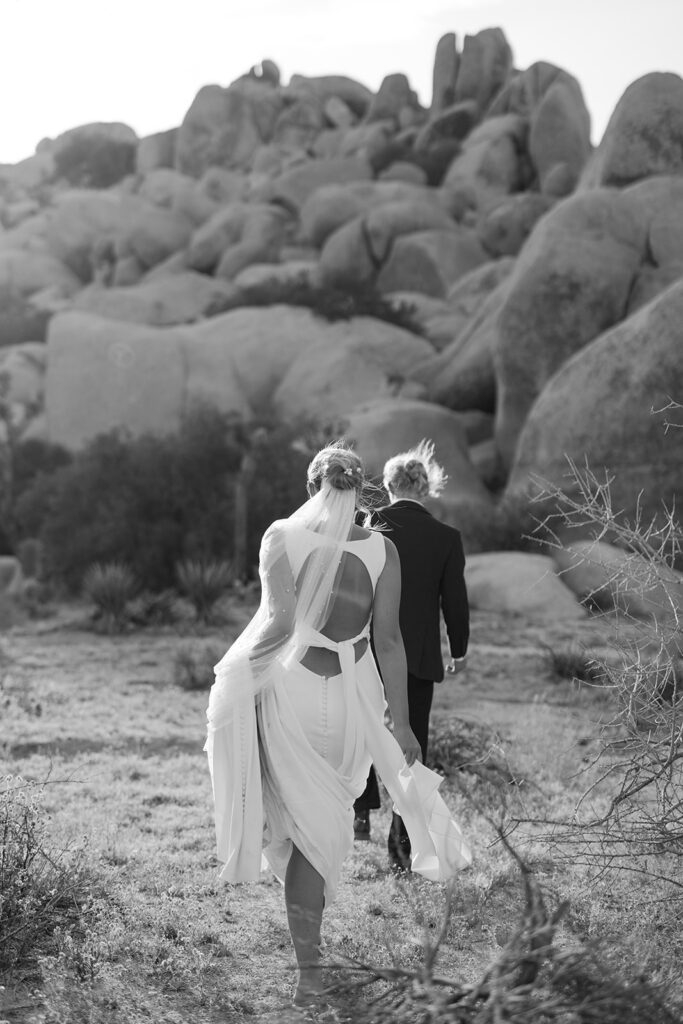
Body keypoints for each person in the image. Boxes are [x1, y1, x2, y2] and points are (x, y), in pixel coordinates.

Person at [205, 442, 471, 1008]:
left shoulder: (282, 536)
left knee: (303, 834)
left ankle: (309, 973)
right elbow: (390, 643)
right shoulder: (382, 552)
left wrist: (237, 677)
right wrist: (401, 725)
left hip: (293, 694)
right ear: (359, 492)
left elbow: (277, 627)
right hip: (351, 705)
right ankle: (311, 963)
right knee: (321, 833)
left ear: (313, 488)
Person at [353, 440, 470, 872]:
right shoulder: (446, 538)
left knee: (363, 729)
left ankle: (361, 808)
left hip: (364, 648)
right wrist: (458, 648)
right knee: (410, 746)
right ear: (426, 488)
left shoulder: (367, 523)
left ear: (387, 485)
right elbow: (454, 602)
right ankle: (400, 849)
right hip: (418, 656)